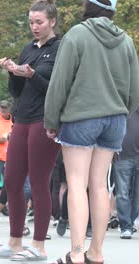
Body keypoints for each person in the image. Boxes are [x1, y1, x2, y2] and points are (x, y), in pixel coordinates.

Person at [44, 0, 139, 263]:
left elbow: (60, 81)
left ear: (89, 6)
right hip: (115, 120)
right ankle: (96, 253)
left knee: (76, 184)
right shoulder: (127, 42)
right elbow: (135, 92)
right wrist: (121, 112)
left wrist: (51, 119)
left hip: (81, 117)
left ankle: (75, 253)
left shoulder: (77, 34)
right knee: (100, 187)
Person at [0, 0, 61, 261]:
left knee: (40, 182)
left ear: (52, 21)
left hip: (44, 120)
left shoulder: (60, 48)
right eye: (31, 22)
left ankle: (39, 245)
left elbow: (55, 88)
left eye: (39, 22)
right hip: (21, 118)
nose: (34, 27)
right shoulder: (27, 49)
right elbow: (16, 92)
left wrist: (32, 76)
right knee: (12, 180)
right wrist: (13, 72)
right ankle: (14, 241)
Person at [113, 109, 139, 239]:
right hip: (122, 156)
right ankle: (126, 226)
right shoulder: (120, 105)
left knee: (137, 195)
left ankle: (130, 221)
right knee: (122, 193)